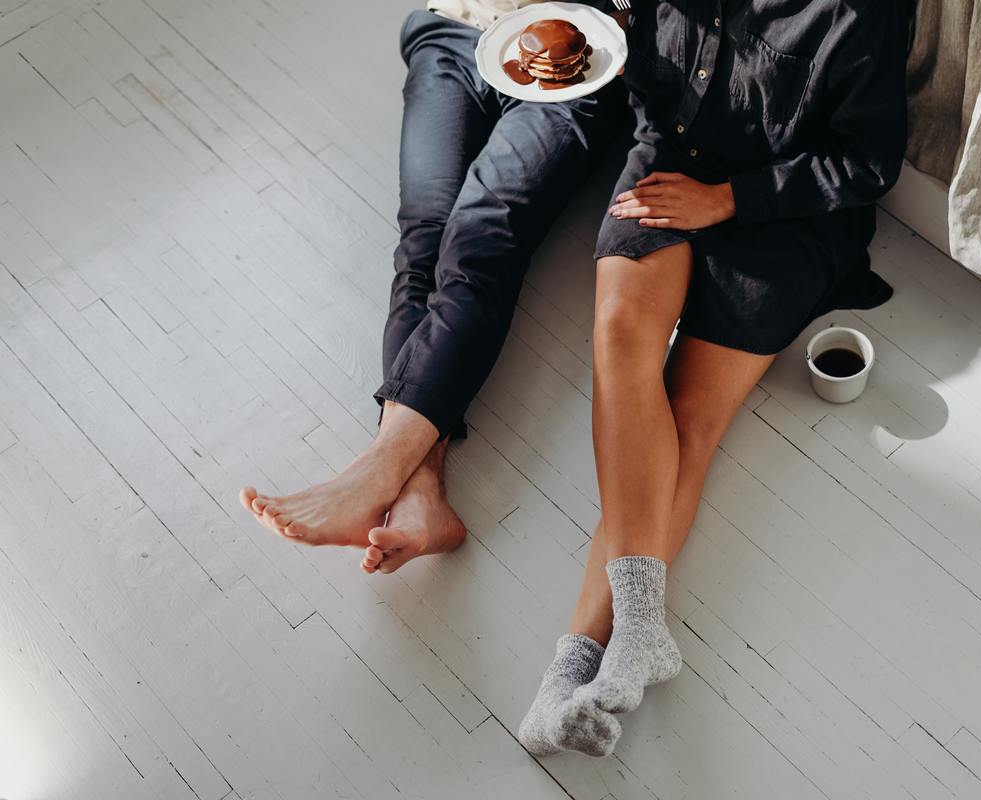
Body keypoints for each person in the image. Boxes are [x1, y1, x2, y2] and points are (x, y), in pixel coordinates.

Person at [518, 0, 911, 757]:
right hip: (672, 158)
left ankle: (569, 671)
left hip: (784, 212)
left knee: (689, 415)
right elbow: (652, 69)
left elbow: (867, 163)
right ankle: (627, 638)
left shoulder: (864, 11)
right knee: (619, 336)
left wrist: (729, 201)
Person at [239, 1, 626, 574]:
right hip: (457, 29)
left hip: (586, 58)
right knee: (424, 235)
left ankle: (376, 473)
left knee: (482, 232)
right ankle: (419, 495)